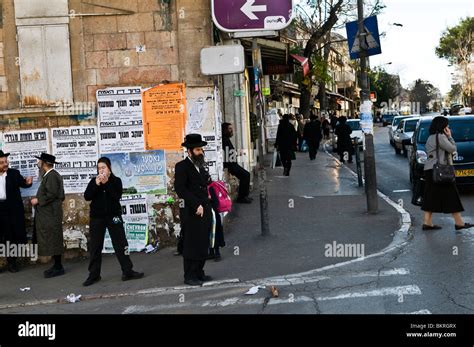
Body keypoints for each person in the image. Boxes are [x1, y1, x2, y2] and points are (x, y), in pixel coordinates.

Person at [82, 157, 144, 286]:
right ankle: (94, 275)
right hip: (97, 218)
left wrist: (107, 183)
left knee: (121, 244)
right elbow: (87, 196)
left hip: (113, 216)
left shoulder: (116, 181)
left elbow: (116, 196)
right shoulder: (94, 181)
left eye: (103, 167)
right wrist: (97, 184)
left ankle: (128, 271)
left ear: (109, 168)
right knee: (95, 246)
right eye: (99, 168)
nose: (101, 170)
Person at [421, 116, 474, 231]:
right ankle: (459, 223)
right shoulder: (440, 137)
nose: (448, 127)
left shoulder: (430, 137)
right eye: (447, 125)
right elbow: (452, 148)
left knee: (430, 196)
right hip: (441, 171)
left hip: (430, 170)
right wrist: (450, 136)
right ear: (442, 126)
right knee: (452, 195)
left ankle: (427, 222)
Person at [174, 134, 214, 286]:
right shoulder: (181, 167)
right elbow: (181, 189)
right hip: (192, 211)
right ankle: (189, 275)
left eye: (201, 149)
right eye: (198, 150)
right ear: (189, 151)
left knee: (203, 242)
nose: (201, 152)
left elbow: (204, 185)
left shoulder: (200, 165)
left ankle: (199, 272)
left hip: (205, 208)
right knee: (191, 243)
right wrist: (196, 204)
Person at [30, 153, 65, 278]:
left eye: (39, 161)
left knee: (54, 237)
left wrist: (38, 200)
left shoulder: (51, 176)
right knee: (53, 237)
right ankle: (57, 265)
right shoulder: (50, 175)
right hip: (49, 213)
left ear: (44, 163)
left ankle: (59, 267)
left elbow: (52, 194)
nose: (38, 163)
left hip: (52, 214)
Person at [0, 150, 32, 272]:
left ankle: (12, 262)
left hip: (12, 209)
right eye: (2, 162)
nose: (5, 164)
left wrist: (28, 183)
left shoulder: (13, 174)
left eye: (6, 161)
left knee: (12, 236)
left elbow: (23, 183)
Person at [222, 123, 252, 204]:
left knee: (245, 175)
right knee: (245, 175)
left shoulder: (226, 139)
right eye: (229, 129)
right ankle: (242, 197)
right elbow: (228, 153)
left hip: (233, 163)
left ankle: (244, 196)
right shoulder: (224, 140)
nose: (232, 130)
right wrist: (237, 153)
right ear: (225, 130)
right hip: (231, 165)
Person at [207, 182, 225, 262]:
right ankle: (211, 253)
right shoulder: (203, 188)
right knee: (208, 233)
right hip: (207, 215)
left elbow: (216, 203)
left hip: (213, 214)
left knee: (214, 233)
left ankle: (217, 253)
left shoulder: (210, 188)